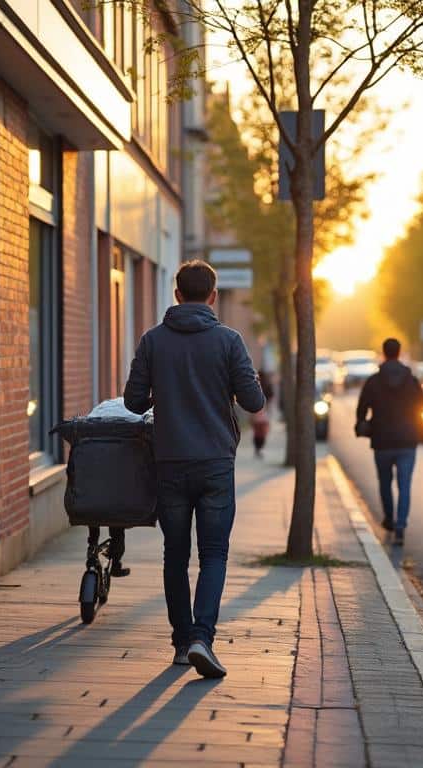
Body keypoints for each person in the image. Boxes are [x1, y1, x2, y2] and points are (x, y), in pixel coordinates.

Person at [124, 260, 265, 678]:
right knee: (214, 553)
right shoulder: (229, 340)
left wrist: (165, 395)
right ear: (214, 296)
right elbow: (254, 401)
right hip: (216, 463)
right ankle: (204, 635)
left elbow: (133, 402)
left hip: (169, 461)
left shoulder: (153, 341)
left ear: (176, 295)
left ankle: (183, 644)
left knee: (175, 554)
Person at [354, 338, 423, 546]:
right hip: (407, 440)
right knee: (404, 485)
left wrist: (363, 423)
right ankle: (401, 526)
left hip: (382, 440)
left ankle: (389, 519)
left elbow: (361, 408)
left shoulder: (374, 381)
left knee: (385, 483)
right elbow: (422, 406)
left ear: (384, 353)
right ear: (399, 352)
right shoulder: (411, 381)